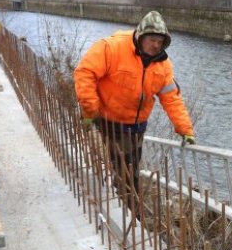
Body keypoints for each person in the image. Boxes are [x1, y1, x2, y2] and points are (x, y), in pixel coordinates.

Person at [73, 11, 195, 196]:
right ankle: (127, 202)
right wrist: (90, 109)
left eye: (160, 41)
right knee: (126, 172)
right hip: (112, 122)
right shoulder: (112, 47)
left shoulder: (163, 65)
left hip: (138, 127)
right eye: (152, 39)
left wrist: (185, 129)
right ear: (141, 36)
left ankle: (125, 197)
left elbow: (172, 99)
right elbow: (85, 72)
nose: (156, 45)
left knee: (131, 167)